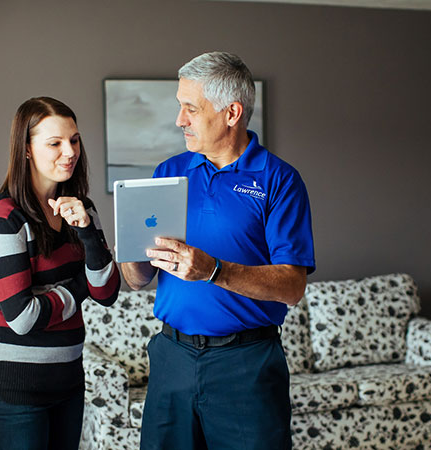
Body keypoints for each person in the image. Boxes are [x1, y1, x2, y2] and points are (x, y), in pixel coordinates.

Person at [121, 52, 315, 450]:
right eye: (180, 107)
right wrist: (132, 254)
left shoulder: (280, 181)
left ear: (232, 113)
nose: (180, 120)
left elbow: (293, 286)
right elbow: (136, 279)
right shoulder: (167, 172)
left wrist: (214, 271)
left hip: (246, 365)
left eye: (190, 109)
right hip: (171, 359)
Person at [0, 97, 120, 450]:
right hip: (10, 390)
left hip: (67, 383)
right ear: (26, 150)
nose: (70, 151)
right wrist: (79, 285)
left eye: (75, 139)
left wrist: (86, 231)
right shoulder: (1, 217)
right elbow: (22, 317)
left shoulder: (83, 210)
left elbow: (108, 291)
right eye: (54, 143)